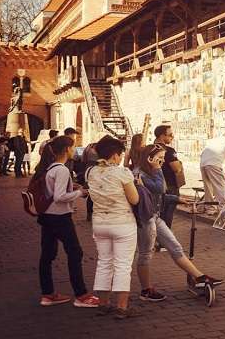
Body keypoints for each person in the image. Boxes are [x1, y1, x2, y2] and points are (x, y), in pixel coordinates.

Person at [133, 144, 223, 302]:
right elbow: (159, 189)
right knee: (145, 254)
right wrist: (158, 169)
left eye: (162, 159)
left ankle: (200, 277)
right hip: (146, 219)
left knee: (175, 247)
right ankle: (146, 290)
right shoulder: (140, 174)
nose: (161, 162)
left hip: (155, 217)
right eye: (159, 159)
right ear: (149, 158)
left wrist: (178, 199)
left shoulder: (150, 172)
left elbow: (159, 196)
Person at [33, 135, 100, 308]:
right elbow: (60, 196)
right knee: (75, 253)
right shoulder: (61, 170)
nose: (74, 150)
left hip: (47, 216)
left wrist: (73, 187)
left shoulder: (49, 167)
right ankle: (81, 294)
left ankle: (47, 294)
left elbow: (54, 191)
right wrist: (80, 193)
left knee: (47, 255)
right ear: (66, 150)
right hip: (60, 217)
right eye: (73, 147)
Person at [86, 135, 140, 319]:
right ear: (115, 155)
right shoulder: (122, 173)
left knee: (104, 263)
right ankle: (121, 307)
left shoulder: (90, 172)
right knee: (123, 265)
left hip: (100, 223)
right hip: (122, 223)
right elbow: (134, 199)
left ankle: (103, 303)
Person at [154, 125, 183, 228]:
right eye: (170, 135)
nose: (172, 137)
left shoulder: (149, 148)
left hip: (154, 185)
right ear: (162, 136)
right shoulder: (169, 151)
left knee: (156, 214)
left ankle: (156, 238)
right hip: (169, 186)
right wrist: (179, 163)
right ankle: (164, 240)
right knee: (167, 214)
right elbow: (177, 169)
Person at [200, 133, 225, 205]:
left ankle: (210, 208)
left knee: (208, 187)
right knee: (221, 185)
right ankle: (222, 207)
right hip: (214, 164)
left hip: (203, 163)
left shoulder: (212, 141)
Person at [81, 141, 100, 222]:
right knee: (96, 193)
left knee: (90, 193)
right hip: (96, 170)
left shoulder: (88, 147)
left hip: (88, 170)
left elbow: (82, 159)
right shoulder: (100, 149)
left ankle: (89, 214)